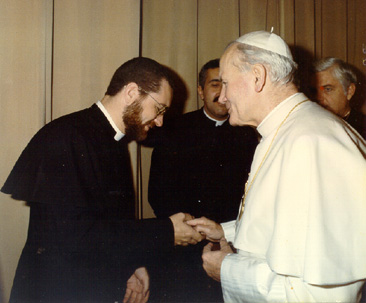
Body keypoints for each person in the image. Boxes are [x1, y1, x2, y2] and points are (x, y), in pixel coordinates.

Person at [1, 57, 204, 303]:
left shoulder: (113, 141)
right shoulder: (64, 137)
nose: (160, 121)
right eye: (159, 109)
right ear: (131, 92)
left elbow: (108, 228)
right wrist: (166, 231)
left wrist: (132, 264)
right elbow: (74, 238)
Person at [188, 31, 366, 302]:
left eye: (225, 83)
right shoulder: (289, 129)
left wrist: (228, 269)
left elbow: (316, 295)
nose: (222, 97)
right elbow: (290, 224)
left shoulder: (311, 142)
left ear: (257, 77)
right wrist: (226, 231)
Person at [148, 59, 258, 302]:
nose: (221, 93)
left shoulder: (249, 132)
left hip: (236, 245)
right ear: (201, 91)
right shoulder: (173, 130)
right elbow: (158, 193)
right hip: (185, 247)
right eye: (214, 84)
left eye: (226, 85)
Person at [312, 57, 366, 139]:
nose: (318, 98)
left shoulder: (362, 128)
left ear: (349, 91)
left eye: (328, 89)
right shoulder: (311, 124)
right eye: (314, 91)